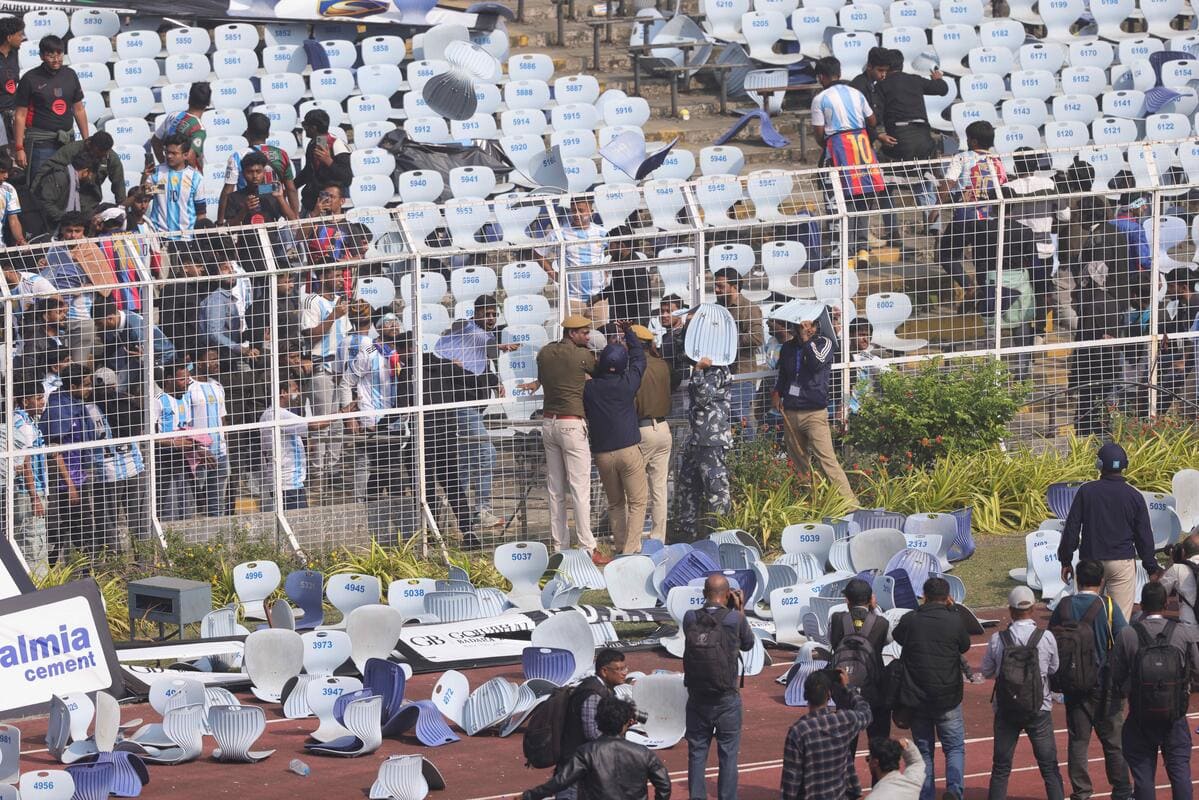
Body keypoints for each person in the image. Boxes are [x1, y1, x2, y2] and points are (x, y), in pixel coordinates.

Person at [1048, 558, 1132, 800]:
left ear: (1076, 578)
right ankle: (1122, 790)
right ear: (1102, 581)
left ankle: (1082, 792)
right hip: (1106, 685)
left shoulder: (1063, 607)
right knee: (1113, 743)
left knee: (1078, 742)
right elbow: (1124, 638)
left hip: (1074, 684)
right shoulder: (1108, 606)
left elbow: (1051, 642)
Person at [1110, 582, 1199, 800]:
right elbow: (1197, 668)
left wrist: (1126, 690)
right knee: (1179, 771)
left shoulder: (1128, 634)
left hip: (1140, 713)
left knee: (1143, 776)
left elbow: (1116, 673)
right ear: (1166, 602)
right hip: (1175, 713)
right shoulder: (1183, 632)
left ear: (1141, 604)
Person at [523, 315, 600, 559]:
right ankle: (587, 546)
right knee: (579, 488)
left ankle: (560, 547)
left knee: (555, 489)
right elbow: (597, 372)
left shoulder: (545, 353)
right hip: (571, 424)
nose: (587, 337)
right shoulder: (582, 355)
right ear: (572, 333)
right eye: (584, 332)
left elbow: (546, 377)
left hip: (549, 422)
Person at [979, 586, 1065, 800]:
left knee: (1001, 767)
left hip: (1006, 708)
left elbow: (987, 670)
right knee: (1049, 767)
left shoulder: (999, 639)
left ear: (1010, 609)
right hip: (1039, 707)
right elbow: (1054, 668)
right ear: (1034, 607)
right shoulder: (1045, 637)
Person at [1058, 442, 1161, 621]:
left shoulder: (1086, 491)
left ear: (1099, 465)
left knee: (1086, 619)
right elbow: (1143, 536)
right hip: (1121, 563)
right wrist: (1151, 567)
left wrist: (1066, 559)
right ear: (1124, 466)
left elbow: (1072, 528)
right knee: (1119, 620)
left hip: (1091, 561)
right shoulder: (1134, 495)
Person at [433, 294, 511, 528]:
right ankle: (482, 509)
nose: (490, 319)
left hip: (475, 406)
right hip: (461, 406)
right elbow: (465, 332)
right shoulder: (466, 329)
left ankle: (453, 510)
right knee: (487, 453)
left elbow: (482, 360)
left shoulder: (485, 337)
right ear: (475, 313)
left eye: (493, 315)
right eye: (485, 314)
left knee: (466, 461)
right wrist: (499, 346)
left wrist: (495, 381)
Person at [892, 577, 971, 800]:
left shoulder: (912, 619)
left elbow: (897, 637)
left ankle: (926, 796)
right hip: (948, 696)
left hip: (917, 697)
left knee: (924, 752)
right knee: (954, 748)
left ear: (923, 596)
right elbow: (965, 645)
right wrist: (952, 609)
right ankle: (954, 791)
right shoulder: (954, 620)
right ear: (947, 597)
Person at [811, 56, 890, 269]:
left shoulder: (820, 98)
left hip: (839, 149)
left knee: (839, 202)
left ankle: (844, 256)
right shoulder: (856, 93)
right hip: (862, 147)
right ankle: (862, 250)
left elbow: (819, 135)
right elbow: (872, 120)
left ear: (821, 77)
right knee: (864, 198)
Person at [683, 573, 755, 800]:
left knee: (696, 753)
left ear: (704, 594)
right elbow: (748, 643)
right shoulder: (735, 619)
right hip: (726, 699)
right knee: (728, 754)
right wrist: (739, 609)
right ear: (727, 595)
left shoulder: (690, 618)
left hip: (697, 698)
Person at [772, 318, 859, 505]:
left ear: (817, 325)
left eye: (810, 324)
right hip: (791, 412)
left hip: (814, 414)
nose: (807, 328)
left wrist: (806, 341)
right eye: (802, 325)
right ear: (795, 326)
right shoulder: (787, 348)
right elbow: (784, 375)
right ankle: (811, 503)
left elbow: (817, 364)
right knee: (799, 464)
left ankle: (850, 504)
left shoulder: (824, 343)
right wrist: (777, 393)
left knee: (827, 460)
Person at [519, 696, 671, 800]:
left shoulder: (586, 752)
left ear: (598, 722)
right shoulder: (643, 753)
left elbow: (561, 781)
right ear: (627, 722)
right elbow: (664, 785)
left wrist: (529, 796)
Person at [584, 321, 648, 555]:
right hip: (629, 449)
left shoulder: (590, 388)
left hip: (603, 453)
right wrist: (629, 333)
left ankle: (620, 544)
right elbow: (640, 360)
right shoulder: (627, 383)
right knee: (638, 501)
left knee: (615, 502)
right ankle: (630, 549)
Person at [780, 668, 873, 800]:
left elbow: (790, 782)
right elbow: (866, 712)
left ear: (806, 696)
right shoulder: (843, 721)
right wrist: (848, 687)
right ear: (829, 695)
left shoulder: (798, 731)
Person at [938, 120, 1006, 301]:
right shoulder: (997, 160)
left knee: (947, 254)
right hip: (989, 218)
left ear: (973, 141)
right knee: (982, 260)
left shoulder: (962, 157)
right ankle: (986, 296)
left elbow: (948, 182)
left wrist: (937, 206)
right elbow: (1004, 186)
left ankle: (969, 286)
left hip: (966, 215)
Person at [551, 649, 632, 800]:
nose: (624, 673)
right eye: (619, 669)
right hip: (575, 771)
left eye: (625, 668)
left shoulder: (603, 690)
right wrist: (620, 729)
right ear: (604, 671)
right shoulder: (593, 694)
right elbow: (593, 734)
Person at [42, 364, 100, 563]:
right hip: (63, 484)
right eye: (85, 385)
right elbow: (54, 451)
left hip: (78, 478)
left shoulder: (77, 405)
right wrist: (70, 485)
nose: (89, 389)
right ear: (73, 386)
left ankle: (85, 570)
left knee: (82, 529)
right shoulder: (59, 408)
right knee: (59, 531)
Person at [301, 265, 350, 502]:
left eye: (342, 275)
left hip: (342, 370)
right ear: (322, 277)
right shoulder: (313, 301)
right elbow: (310, 335)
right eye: (336, 275)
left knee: (338, 424)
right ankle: (316, 480)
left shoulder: (341, 303)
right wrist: (334, 316)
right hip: (322, 366)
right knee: (322, 425)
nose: (341, 279)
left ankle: (333, 472)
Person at [13, 34, 87, 182]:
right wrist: (19, 148)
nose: (56, 59)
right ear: (41, 56)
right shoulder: (29, 79)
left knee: (67, 185)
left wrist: (87, 141)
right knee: (39, 185)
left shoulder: (70, 75)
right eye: (50, 55)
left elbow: (79, 110)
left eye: (59, 54)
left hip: (67, 142)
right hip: (41, 144)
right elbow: (20, 116)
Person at [677, 355, 732, 540]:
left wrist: (699, 370)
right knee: (687, 485)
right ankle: (688, 533)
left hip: (712, 441)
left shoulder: (717, 370)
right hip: (697, 439)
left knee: (715, 490)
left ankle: (720, 537)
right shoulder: (708, 369)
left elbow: (702, 397)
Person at [830, 578, 891, 740]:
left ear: (847, 600)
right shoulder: (881, 623)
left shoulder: (837, 619)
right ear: (871, 599)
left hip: (845, 686)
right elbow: (887, 641)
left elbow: (834, 643)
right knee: (878, 741)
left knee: (846, 747)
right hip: (874, 688)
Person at [260, 375, 331, 511]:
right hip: (287, 484)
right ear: (283, 392)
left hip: (292, 482)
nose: (298, 394)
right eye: (296, 390)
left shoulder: (277, 414)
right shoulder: (277, 414)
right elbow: (314, 425)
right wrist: (342, 414)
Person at [539, 195, 610, 327]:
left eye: (581, 210)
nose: (577, 214)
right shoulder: (560, 233)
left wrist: (606, 270)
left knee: (600, 338)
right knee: (572, 337)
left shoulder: (602, 233)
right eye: (574, 210)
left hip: (598, 298)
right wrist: (553, 274)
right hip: (571, 298)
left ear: (591, 212)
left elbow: (616, 251)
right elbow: (538, 253)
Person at [218, 111, 299, 222]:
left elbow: (228, 191)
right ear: (268, 134)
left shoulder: (238, 156)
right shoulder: (282, 154)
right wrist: (295, 220)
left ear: (248, 132)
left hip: (248, 211)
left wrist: (220, 222)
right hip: (275, 210)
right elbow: (291, 189)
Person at [632, 324, 672, 543]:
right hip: (663, 428)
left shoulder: (635, 367)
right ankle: (658, 537)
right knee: (659, 488)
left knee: (635, 489)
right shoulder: (662, 365)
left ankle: (634, 538)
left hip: (641, 429)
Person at [712, 268, 763, 435]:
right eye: (715, 285)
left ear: (734, 287)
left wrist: (729, 340)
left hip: (741, 375)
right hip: (717, 375)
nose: (716, 289)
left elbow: (757, 338)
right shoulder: (716, 310)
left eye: (720, 286)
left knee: (739, 418)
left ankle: (751, 456)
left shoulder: (748, 308)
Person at [11, 374, 49, 570]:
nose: (43, 402)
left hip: (27, 492)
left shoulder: (22, 421)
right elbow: (25, 463)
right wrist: (35, 497)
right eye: (39, 398)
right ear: (26, 401)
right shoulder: (23, 426)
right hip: (28, 493)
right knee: (32, 542)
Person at [187, 347, 230, 517]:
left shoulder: (217, 386)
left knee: (217, 501)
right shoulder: (189, 386)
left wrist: (226, 446)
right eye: (211, 359)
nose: (216, 363)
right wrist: (196, 449)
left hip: (220, 453)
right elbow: (185, 422)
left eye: (217, 359)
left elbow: (223, 418)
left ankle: (218, 537)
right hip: (199, 454)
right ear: (198, 362)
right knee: (194, 501)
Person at [44, 132, 125, 206]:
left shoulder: (111, 158)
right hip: (66, 198)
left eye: (103, 155)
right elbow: (48, 168)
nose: (100, 157)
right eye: (97, 153)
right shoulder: (73, 150)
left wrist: (121, 206)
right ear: (90, 144)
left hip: (90, 201)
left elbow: (118, 182)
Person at [147, 133, 206, 234]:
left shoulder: (196, 178)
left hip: (185, 238)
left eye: (174, 153)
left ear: (186, 155)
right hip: (159, 235)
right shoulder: (156, 172)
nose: (169, 156)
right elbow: (144, 194)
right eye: (167, 152)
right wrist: (145, 178)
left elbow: (201, 213)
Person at [295, 109, 352, 213]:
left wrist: (329, 161)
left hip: (327, 206)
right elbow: (308, 171)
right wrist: (291, 186)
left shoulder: (337, 145)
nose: (304, 129)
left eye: (305, 125)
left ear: (313, 128)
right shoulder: (314, 143)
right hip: (311, 202)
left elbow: (347, 178)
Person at [34, 151, 99, 233]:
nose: (92, 179)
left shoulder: (78, 183)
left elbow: (83, 206)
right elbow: (45, 203)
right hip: (47, 227)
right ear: (86, 171)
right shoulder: (59, 177)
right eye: (92, 175)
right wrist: (66, 219)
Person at [1162, 531, 1199, 625]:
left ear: (1182, 551)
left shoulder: (1178, 568)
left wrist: (1171, 560)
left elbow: (1158, 593)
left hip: (1188, 627)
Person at [0, 17, 25, 145]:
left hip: (13, 112)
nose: (23, 38)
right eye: (19, 35)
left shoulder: (14, 52)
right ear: (9, 38)